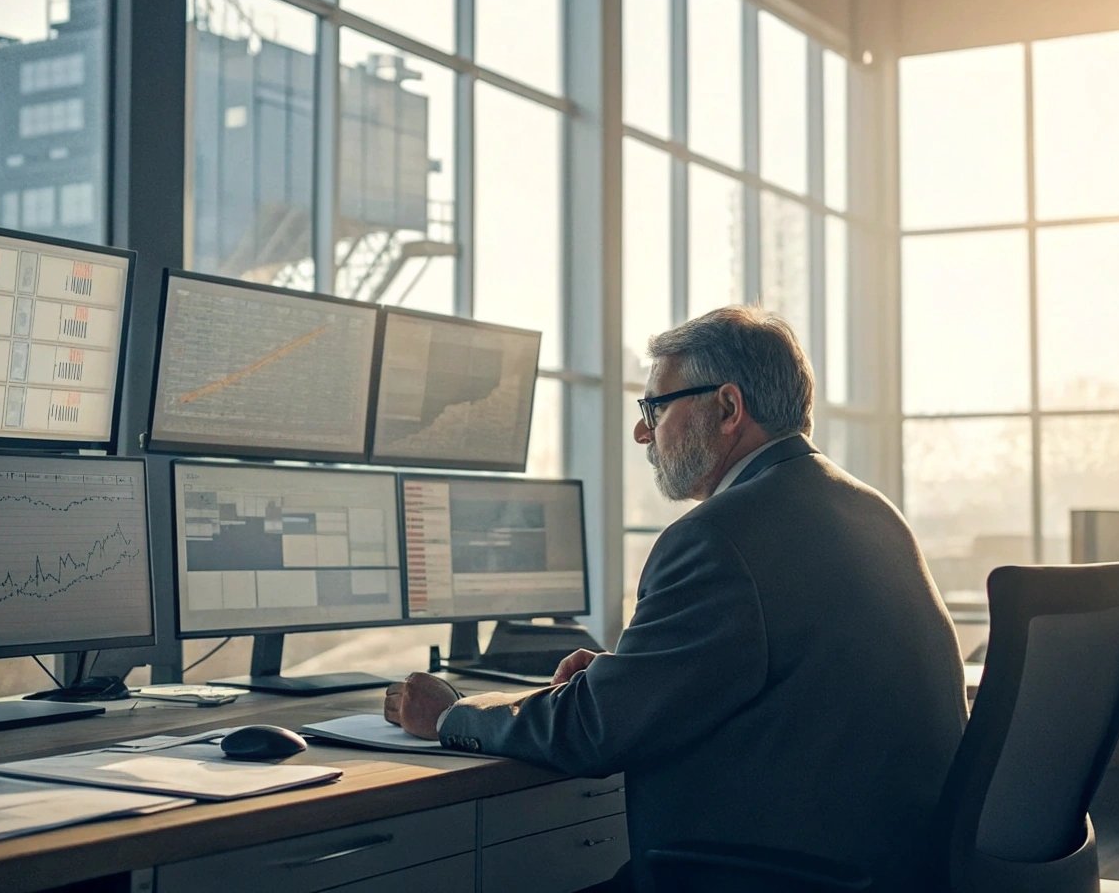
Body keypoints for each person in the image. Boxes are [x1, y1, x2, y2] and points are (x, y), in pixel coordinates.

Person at [384, 306, 967, 893]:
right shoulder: (870, 511)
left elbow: (593, 730)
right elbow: (787, 680)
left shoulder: (719, 536)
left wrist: (449, 716)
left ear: (728, 408)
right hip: (887, 870)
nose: (643, 431)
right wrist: (630, 676)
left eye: (655, 407)